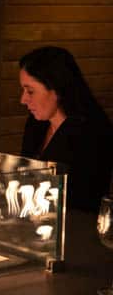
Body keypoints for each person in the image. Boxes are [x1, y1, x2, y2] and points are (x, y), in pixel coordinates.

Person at [19, 46, 113, 211]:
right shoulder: (36, 124)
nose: (23, 99)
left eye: (30, 91)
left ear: (56, 89)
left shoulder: (91, 134)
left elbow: (84, 200)